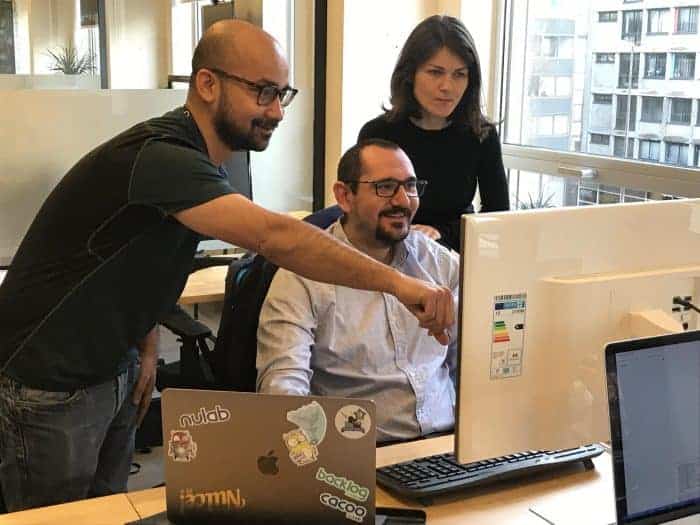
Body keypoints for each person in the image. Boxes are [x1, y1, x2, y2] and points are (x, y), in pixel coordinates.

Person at [0, 21, 454, 512]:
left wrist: (146, 344)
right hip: (49, 381)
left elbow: (137, 256)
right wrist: (402, 286)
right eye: (262, 92)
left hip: (114, 367)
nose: (277, 110)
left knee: (107, 512)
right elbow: (274, 237)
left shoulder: (199, 163)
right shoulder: (163, 156)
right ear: (208, 84)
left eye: (282, 93)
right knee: (54, 519)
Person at [257, 139, 459, 443]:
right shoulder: (302, 277)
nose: (403, 200)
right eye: (386, 187)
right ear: (344, 196)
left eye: (411, 186)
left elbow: (474, 363)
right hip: (358, 456)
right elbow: (282, 389)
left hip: (446, 447)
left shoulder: (441, 263)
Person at [358, 15, 509, 251]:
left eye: (459, 74)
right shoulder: (378, 133)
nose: (447, 87)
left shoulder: (482, 135)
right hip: (388, 251)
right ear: (410, 74)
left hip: (455, 255)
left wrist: (442, 233)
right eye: (435, 72)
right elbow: (363, 210)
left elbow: (498, 218)